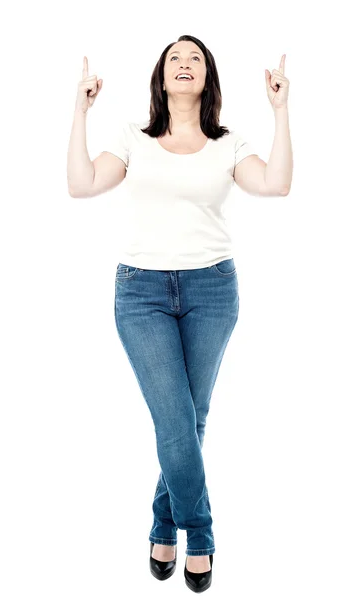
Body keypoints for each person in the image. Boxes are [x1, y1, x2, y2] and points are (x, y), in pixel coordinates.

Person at [67, 34, 291, 593]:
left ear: (207, 77)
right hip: (140, 294)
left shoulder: (228, 143)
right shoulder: (134, 139)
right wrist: (80, 110)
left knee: (191, 420)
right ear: (161, 79)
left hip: (212, 291)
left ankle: (164, 522)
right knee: (175, 421)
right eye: (174, 59)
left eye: (195, 58)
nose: (184, 64)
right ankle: (203, 533)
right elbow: (81, 184)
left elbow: (277, 183)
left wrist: (281, 111)